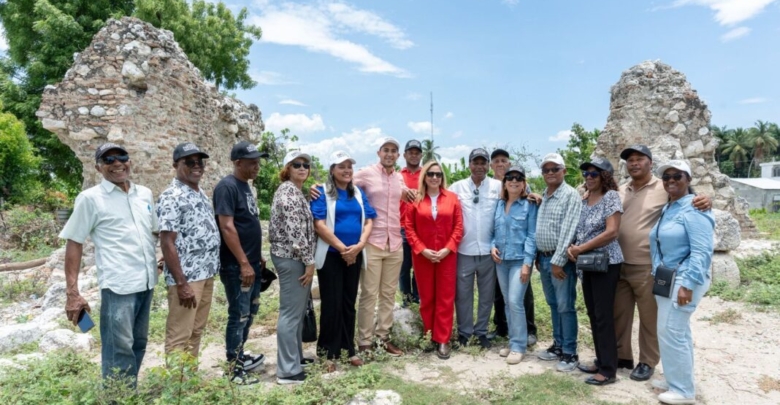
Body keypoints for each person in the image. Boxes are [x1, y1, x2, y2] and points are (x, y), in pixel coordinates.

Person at [61, 143, 158, 385]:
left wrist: (161, 259)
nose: (117, 163)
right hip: (118, 286)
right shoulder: (90, 199)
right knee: (118, 348)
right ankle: (117, 397)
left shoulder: (144, 194)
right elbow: (74, 242)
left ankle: (127, 393)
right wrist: (72, 293)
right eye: (108, 160)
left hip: (147, 282)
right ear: (98, 168)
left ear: (129, 161)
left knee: (139, 343)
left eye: (121, 157)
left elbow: (154, 231)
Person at [615, 145, 711, 382]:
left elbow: (688, 201)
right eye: (630, 160)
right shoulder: (621, 189)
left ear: (650, 162)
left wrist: (705, 199)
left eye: (639, 159)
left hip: (648, 266)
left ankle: (647, 361)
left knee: (650, 318)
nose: (634, 163)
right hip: (619, 263)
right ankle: (622, 356)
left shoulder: (664, 186)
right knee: (620, 314)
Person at [650, 160, 714, 405]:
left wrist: (687, 285)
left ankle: (683, 391)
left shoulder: (695, 208)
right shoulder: (670, 207)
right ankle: (675, 379)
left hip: (685, 279)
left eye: (677, 176)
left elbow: (702, 251)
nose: (671, 181)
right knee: (674, 332)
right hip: (668, 277)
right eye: (666, 177)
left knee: (672, 331)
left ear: (688, 179)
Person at [311, 150, 376, 372]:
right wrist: (342, 249)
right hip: (331, 255)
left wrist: (359, 246)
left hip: (354, 255)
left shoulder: (357, 192)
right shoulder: (322, 192)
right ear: (332, 170)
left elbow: (369, 220)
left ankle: (348, 350)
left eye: (349, 166)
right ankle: (328, 353)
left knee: (348, 303)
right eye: (341, 166)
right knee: (331, 304)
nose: (347, 170)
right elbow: (319, 224)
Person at [157, 143, 220, 359]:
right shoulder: (171, 196)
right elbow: (167, 242)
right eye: (189, 162)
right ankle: (177, 380)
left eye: (200, 162)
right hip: (187, 278)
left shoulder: (200, 193)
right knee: (179, 335)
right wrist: (181, 283)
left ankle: (189, 376)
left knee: (196, 331)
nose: (197, 166)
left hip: (205, 273)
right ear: (176, 165)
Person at [213, 140, 269, 385]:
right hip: (236, 266)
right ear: (237, 163)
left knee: (251, 311)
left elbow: (247, 223)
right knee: (239, 314)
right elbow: (227, 226)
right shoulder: (227, 187)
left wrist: (256, 257)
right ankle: (234, 369)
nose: (257, 166)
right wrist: (244, 262)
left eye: (258, 162)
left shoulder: (245, 186)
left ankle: (240, 356)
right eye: (252, 162)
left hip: (251, 262)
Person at [566, 157, 623, 385]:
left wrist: (581, 248)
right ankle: (601, 360)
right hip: (588, 263)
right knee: (593, 314)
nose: (588, 177)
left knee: (603, 316)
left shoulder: (611, 197)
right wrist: (573, 248)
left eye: (594, 174)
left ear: (604, 176)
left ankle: (608, 370)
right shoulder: (585, 199)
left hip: (606, 263)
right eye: (586, 174)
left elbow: (612, 232)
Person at [354, 137, 410, 356]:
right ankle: (365, 342)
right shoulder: (366, 173)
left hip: (395, 242)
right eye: (385, 150)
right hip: (372, 242)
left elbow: (407, 193)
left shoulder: (399, 178)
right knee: (369, 293)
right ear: (379, 153)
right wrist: (318, 187)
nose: (389, 154)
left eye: (393, 150)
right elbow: (343, 182)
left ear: (398, 155)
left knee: (388, 294)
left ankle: (383, 338)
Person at [403, 161, 463, 360]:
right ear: (425, 176)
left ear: (442, 177)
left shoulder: (452, 198)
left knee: (445, 297)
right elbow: (409, 228)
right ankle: (429, 334)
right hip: (423, 256)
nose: (434, 177)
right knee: (427, 297)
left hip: (447, 255)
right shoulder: (415, 199)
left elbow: (458, 227)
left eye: (438, 174)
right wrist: (422, 249)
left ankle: (443, 339)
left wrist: (447, 249)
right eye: (430, 174)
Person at [270, 151, 317, 385]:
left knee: (297, 312)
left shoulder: (297, 192)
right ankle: (287, 371)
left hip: (295, 257)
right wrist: (309, 262)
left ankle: (295, 358)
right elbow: (295, 232)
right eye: (296, 164)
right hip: (292, 258)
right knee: (290, 313)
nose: (302, 168)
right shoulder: (288, 192)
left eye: (306, 165)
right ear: (287, 168)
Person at [449, 148, 502, 349]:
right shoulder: (457, 187)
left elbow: (518, 195)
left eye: (483, 163)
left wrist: (533, 195)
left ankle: (481, 332)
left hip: (489, 251)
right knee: (463, 295)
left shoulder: (498, 186)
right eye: (475, 162)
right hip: (464, 250)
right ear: (469, 164)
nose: (479, 166)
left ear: (488, 165)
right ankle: (464, 332)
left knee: (487, 295)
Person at [535, 152, 582, 372]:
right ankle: (558, 345)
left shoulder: (570, 195)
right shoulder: (545, 195)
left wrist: (558, 261)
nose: (550, 173)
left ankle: (570, 353)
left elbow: (568, 230)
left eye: (555, 169)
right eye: (546, 170)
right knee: (553, 304)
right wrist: (539, 256)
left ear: (564, 171)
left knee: (565, 306)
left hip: (560, 261)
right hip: (544, 258)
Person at [489, 148, 538, 347]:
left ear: (524, 183)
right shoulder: (499, 204)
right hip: (501, 261)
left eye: (518, 178)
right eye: (510, 178)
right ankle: (512, 339)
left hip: (519, 260)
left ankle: (520, 343)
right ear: (505, 182)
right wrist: (492, 245)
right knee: (507, 301)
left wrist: (527, 263)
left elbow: (532, 236)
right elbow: (494, 231)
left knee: (516, 300)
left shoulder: (529, 204)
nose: (514, 181)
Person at [399, 139, 423, 307]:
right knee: (403, 266)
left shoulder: (427, 175)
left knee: (419, 265)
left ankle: (418, 297)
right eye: (411, 153)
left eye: (417, 153)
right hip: (401, 226)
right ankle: (406, 299)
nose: (414, 156)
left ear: (421, 155)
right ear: (405, 155)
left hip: (421, 227)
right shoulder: (397, 175)